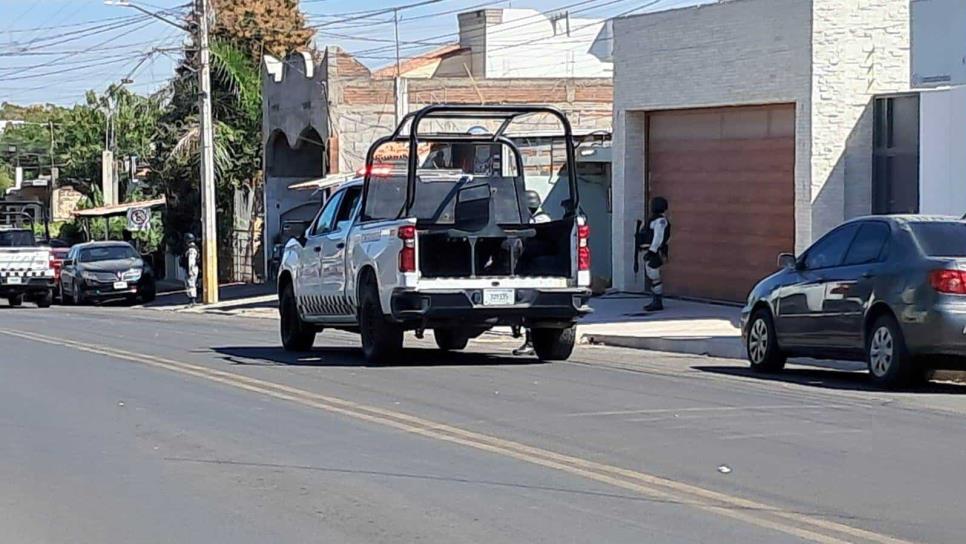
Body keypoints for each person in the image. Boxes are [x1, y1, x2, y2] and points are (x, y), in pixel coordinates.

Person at [513, 191, 551, 356]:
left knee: (529, 307)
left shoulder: (540, 220)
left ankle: (530, 342)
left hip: (536, 266)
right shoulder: (539, 218)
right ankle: (529, 341)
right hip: (534, 265)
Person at [642, 197, 670, 312]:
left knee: (654, 275)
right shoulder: (654, 220)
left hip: (655, 251)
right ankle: (655, 300)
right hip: (651, 250)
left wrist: (652, 251)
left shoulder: (660, 221)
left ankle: (657, 301)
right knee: (652, 275)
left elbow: (658, 237)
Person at [182, 233, 199, 307]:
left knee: (190, 284)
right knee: (190, 284)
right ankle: (191, 300)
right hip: (192, 268)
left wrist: (190, 271)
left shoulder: (191, 249)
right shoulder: (192, 247)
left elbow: (191, 261)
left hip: (192, 268)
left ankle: (192, 300)